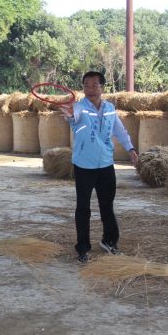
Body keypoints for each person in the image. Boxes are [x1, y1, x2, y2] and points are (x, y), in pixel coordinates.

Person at [59, 71, 139, 263]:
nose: (90, 89)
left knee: (107, 206)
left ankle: (109, 242)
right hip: (84, 165)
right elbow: (73, 118)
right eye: (86, 85)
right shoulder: (78, 107)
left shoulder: (110, 108)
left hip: (105, 165)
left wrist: (131, 148)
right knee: (83, 208)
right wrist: (69, 116)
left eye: (95, 85)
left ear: (102, 87)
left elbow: (119, 130)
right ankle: (83, 248)